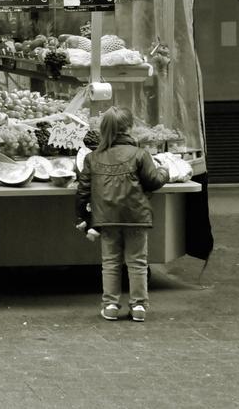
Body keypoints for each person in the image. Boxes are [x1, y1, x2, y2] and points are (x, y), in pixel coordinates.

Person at [76, 106, 170, 323]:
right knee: (137, 262)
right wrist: (165, 170)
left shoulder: (92, 157)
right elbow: (154, 181)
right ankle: (138, 307)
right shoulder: (140, 154)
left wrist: (84, 218)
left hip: (106, 218)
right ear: (129, 127)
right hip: (136, 216)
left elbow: (82, 191)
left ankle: (110, 305)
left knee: (110, 262)